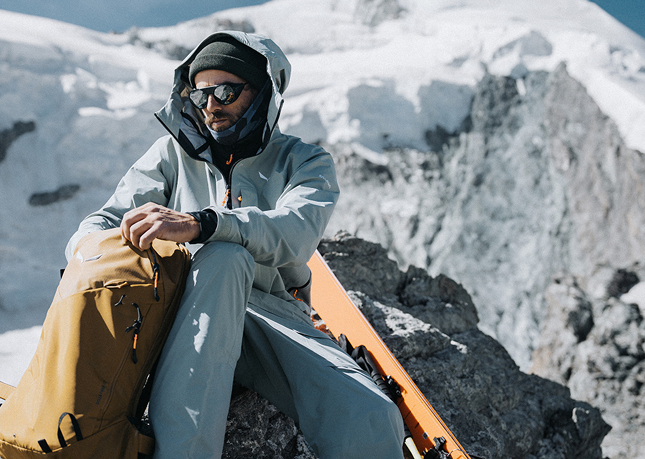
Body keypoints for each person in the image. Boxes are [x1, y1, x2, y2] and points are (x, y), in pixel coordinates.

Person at [65, 31, 405, 459]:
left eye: (225, 91)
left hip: (272, 314)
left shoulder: (304, 161)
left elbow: (296, 231)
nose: (210, 106)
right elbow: (98, 225)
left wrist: (202, 224)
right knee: (223, 259)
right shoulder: (170, 155)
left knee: (370, 418)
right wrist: (96, 257)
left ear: (261, 93)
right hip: (175, 308)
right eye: (200, 93)